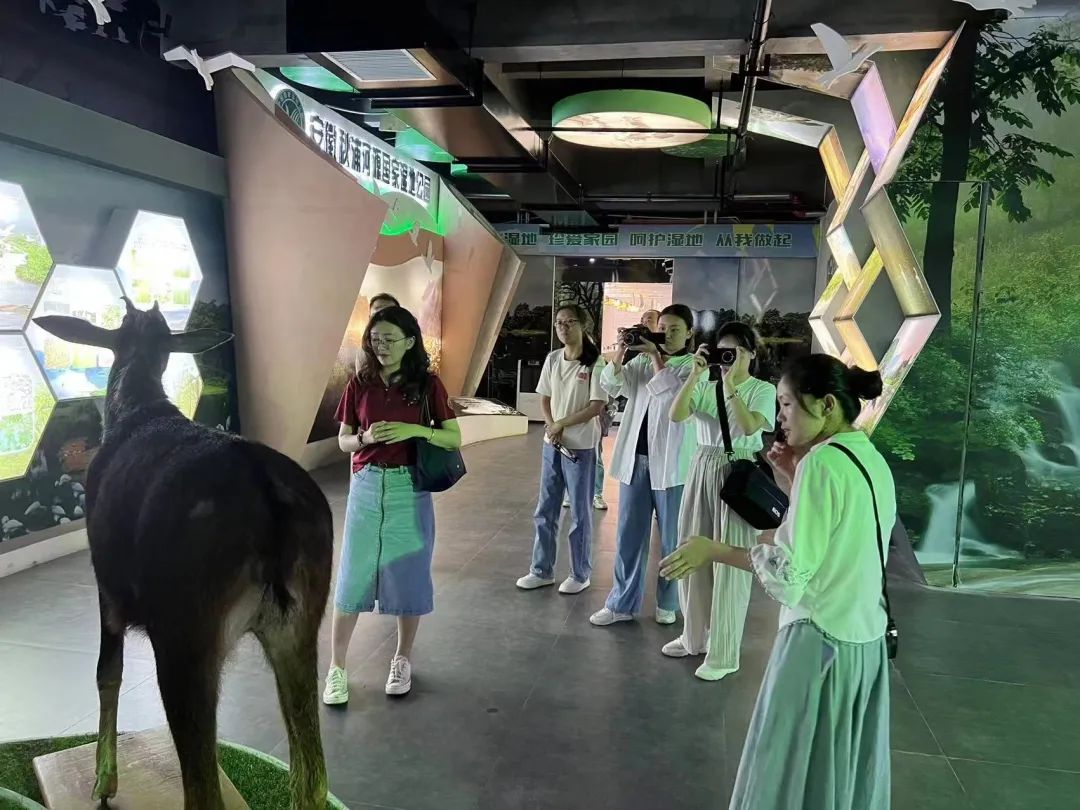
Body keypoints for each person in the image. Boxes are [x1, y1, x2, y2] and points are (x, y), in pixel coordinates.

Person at [660, 355, 895, 809]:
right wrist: (790, 477)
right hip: (863, 639)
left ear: (826, 405)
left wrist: (712, 550)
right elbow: (835, 542)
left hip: (819, 642)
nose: (780, 417)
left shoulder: (822, 464)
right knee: (837, 768)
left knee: (785, 767)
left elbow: (789, 573)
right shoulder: (868, 456)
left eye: (787, 404)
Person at [324, 305, 461, 702]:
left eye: (388, 339)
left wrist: (413, 430)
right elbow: (344, 440)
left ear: (410, 342)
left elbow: (453, 437)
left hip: (409, 488)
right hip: (366, 486)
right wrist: (364, 439)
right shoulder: (360, 383)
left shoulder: (427, 384)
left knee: (408, 574)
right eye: (374, 339)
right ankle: (336, 667)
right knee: (353, 575)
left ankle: (402, 658)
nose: (380, 346)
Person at [657, 322, 776, 681]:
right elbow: (676, 415)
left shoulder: (762, 389)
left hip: (737, 472)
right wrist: (695, 374)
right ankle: (693, 636)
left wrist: (730, 387)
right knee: (690, 549)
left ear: (751, 354)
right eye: (723, 351)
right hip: (701, 466)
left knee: (729, 564)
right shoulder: (705, 385)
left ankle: (724, 653)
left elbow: (751, 427)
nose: (728, 358)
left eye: (735, 351)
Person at [589, 304, 698, 627]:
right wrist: (622, 352)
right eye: (662, 328)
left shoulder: (693, 367)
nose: (667, 334)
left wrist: (655, 357)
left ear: (689, 333)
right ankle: (621, 603)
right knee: (628, 535)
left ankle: (668, 602)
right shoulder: (639, 361)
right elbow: (612, 386)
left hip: (673, 466)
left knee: (672, 538)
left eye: (675, 329)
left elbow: (673, 399)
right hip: (635, 461)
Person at [517, 305, 606, 594]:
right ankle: (541, 570)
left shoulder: (596, 363)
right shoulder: (553, 358)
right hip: (552, 444)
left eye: (570, 322)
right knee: (546, 509)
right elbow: (544, 397)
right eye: (559, 323)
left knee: (580, 513)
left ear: (583, 325)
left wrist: (561, 424)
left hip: (580, 447)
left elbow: (595, 406)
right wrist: (551, 426)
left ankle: (580, 573)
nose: (563, 328)